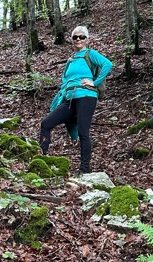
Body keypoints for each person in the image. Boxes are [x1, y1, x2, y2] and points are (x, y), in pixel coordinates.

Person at [39, 26, 112, 175]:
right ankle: (42, 159)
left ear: (87, 39)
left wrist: (95, 83)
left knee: (83, 131)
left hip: (86, 96)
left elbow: (107, 64)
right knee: (46, 123)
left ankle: (84, 168)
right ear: (72, 40)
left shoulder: (90, 54)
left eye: (82, 37)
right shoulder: (71, 60)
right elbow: (65, 80)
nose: (78, 39)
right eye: (75, 37)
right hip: (70, 98)